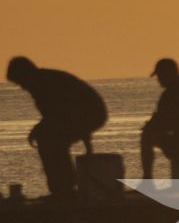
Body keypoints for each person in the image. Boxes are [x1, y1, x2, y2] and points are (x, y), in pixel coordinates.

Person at [6, 56, 108, 197]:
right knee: (49, 139)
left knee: (53, 142)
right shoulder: (40, 83)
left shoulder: (45, 83)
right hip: (79, 114)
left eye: (21, 82)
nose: (22, 88)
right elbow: (52, 116)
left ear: (26, 75)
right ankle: (61, 187)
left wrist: (87, 144)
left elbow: (65, 111)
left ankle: (64, 188)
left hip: (91, 113)